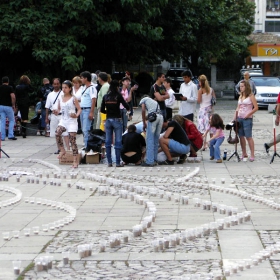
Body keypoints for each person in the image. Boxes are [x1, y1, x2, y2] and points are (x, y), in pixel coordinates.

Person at [101, 80, 130, 167]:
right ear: (117, 87)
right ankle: (117, 162)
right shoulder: (118, 96)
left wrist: (108, 112)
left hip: (108, 120)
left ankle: (109, 162)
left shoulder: (105, 97)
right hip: (117, 119)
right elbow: (126, 105)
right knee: (118, 141)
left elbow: (102, 109)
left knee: (108, 141)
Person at [56, 80, 81, 168]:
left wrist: (76, 115)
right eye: (63, 87)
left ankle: (75, 160)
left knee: (72, 139)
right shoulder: (60, 97)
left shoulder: (73, 98)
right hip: (64, 119)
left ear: (70, 88)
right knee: (57, 132)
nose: (64, 89)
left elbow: (79, 109)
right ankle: (62, 150)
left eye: (66, 87)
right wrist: (56, 111)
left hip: (71, 121)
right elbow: (59, 109)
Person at [234, 79, 258, 161]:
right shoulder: (240, 95)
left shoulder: (251, 96)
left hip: (247, 118)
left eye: (242, 86)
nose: (241, 88)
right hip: (240, 117)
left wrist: (249, 114)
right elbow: (238, 107)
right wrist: (235, 117)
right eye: (240, 86)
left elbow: (256, 107)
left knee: (248, 136)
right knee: (241, 136)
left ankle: (252, 154)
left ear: (246, 86)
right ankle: (244, 153)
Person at [45, 78, 70, 154]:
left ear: (60, 84)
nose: (56, 85)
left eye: (57, 84)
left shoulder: (63, 93)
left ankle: (68, 148)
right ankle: (59, 148)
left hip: (62, 115)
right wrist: (46, 118)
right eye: (54, 84)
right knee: (56, 133)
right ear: (52, 84)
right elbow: (47, 107)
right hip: (53, 115)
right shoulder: (50, 94)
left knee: (65, 133)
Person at [139, 96, 163, 167]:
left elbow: (143, 110)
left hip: (153, 118)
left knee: (150, 140)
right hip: (160, 117)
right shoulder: (154, 102)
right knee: (155, 140)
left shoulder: (143, 99)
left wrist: (144, 122)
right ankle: (154, 159)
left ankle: (149, 161)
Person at [197, 74, 216, 149]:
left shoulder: (200, 90)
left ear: (200, 82)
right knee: (210, 127)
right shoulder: (211, 89)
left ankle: (204, 144)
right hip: (210, 109)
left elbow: (199, 101)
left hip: (203, 110)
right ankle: (212, 144)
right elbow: (214, 99)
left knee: (202, 128)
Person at [80, 71, 97, 149]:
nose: (81, 79)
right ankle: (85, 144)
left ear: (86, 78)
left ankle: (87, 146)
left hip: (87, 110)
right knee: (84, 129)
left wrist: (91, 112)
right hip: (82, 110)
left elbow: (93, 100)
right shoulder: (84, 87)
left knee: (86, 129)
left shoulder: (92, 88)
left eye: (82, 78)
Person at [0, 76, 17, 141]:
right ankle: (10, 135)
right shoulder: (10, 88)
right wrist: (13, 105)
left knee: (2, 121)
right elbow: (13, 97)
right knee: (12, 120)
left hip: (1, 106)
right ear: (8, 81)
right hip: (8, 106)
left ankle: (2, 137)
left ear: (2, 81)